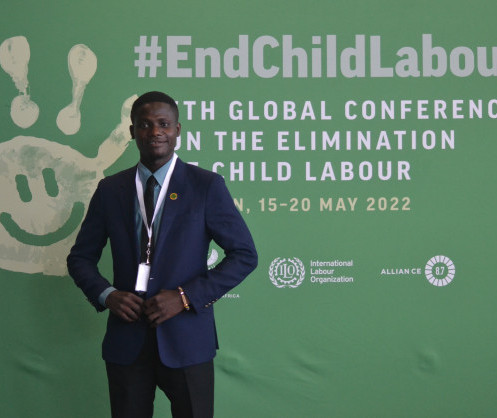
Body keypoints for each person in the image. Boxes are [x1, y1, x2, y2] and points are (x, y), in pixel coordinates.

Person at [67, 91, 258, 418]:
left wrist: (184, 297)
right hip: (126, 342)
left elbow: (244, 255)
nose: (155, 131)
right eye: (144, 124)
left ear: (177, 130)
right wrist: (107, 295)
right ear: (132, 132)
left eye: (163, 124)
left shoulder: (206, 186)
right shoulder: (110, 190)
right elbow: (80, 258)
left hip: (187, 341)